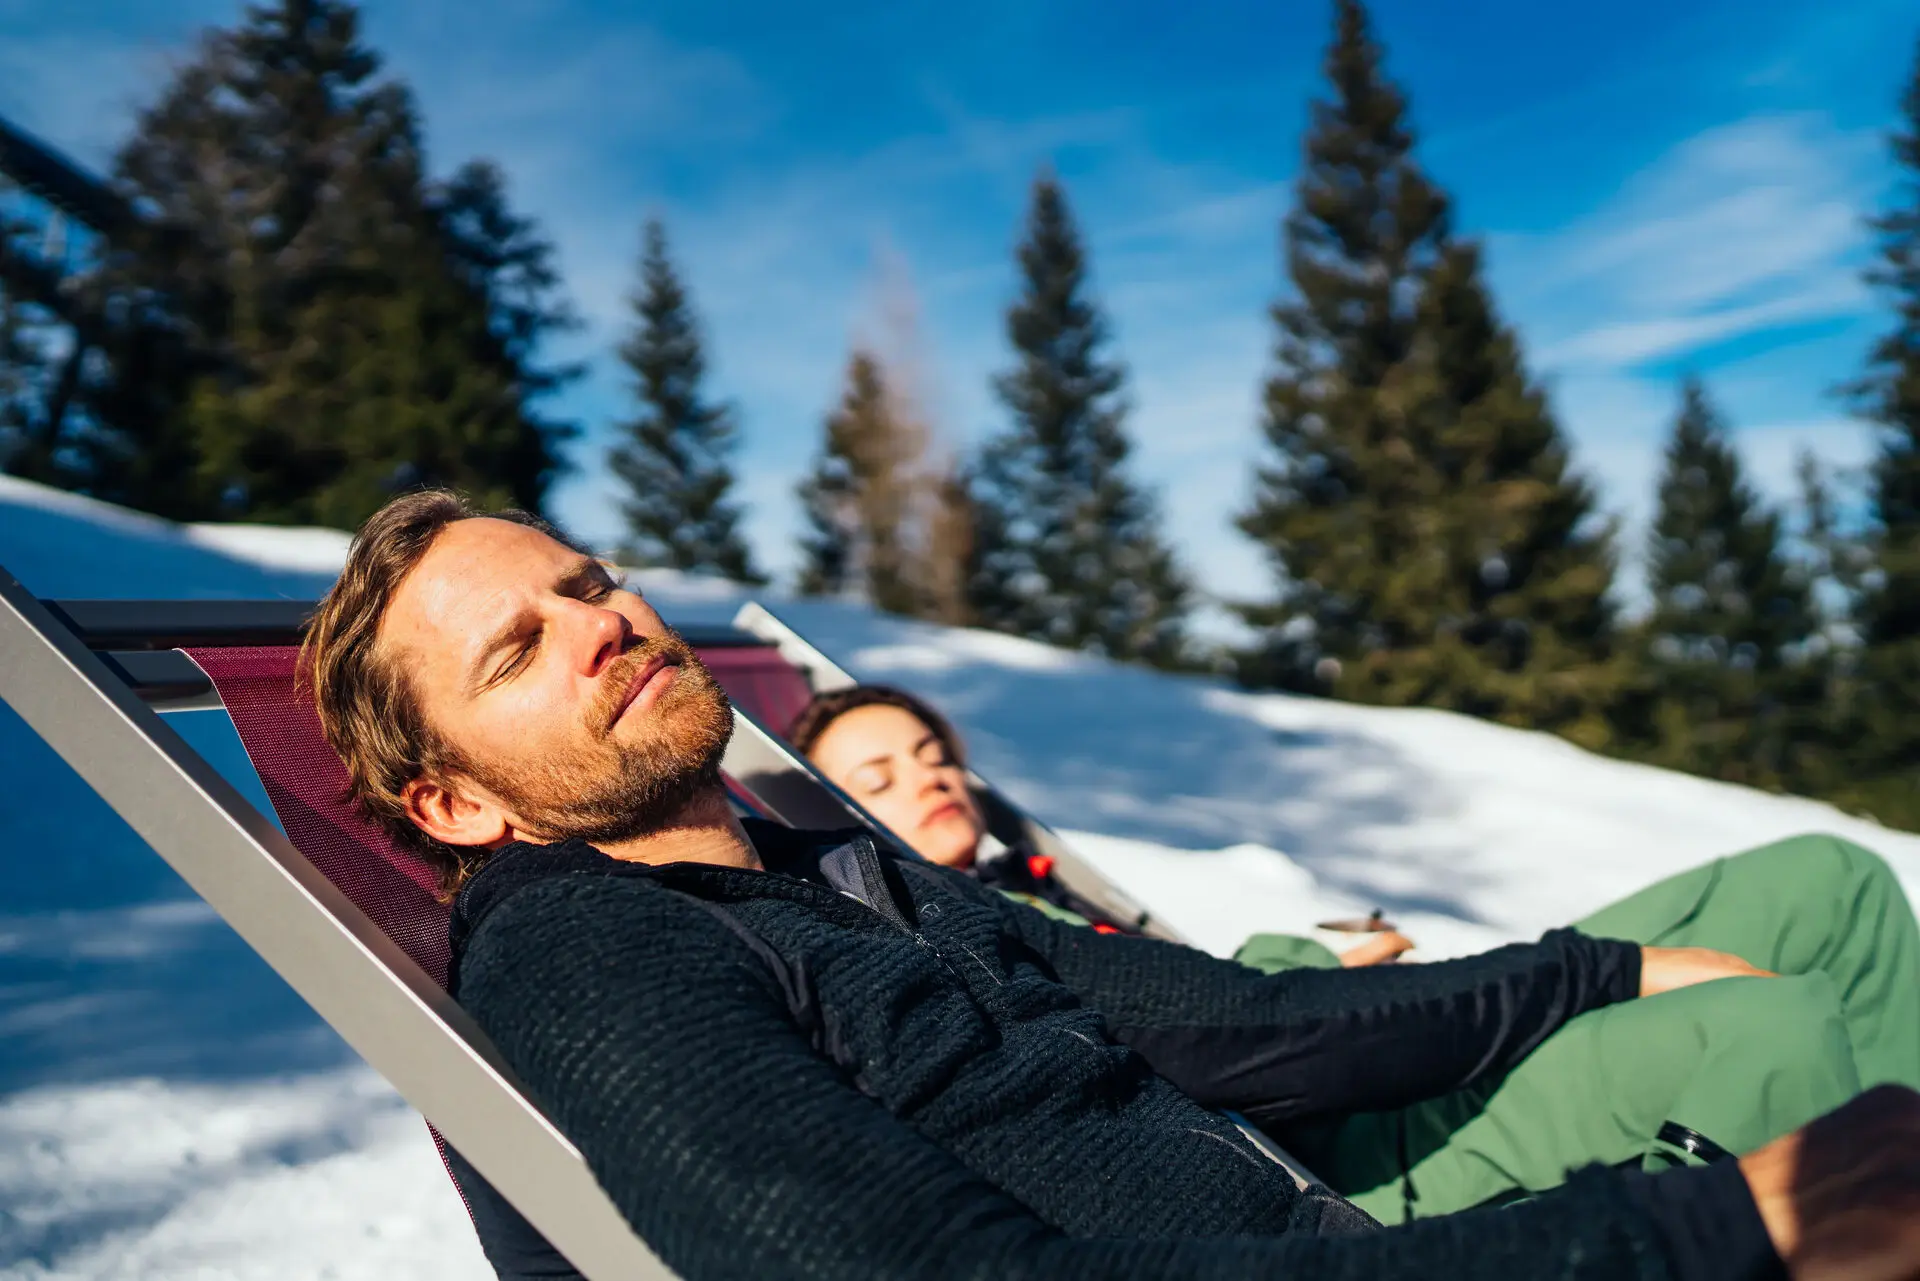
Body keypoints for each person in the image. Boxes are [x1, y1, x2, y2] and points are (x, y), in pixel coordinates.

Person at [303, 489, 1920, 1281]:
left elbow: (1232, 1023)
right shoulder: (595, 954)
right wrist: (1706, 1231)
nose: (604, 621)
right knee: (1787, 1066)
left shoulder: (838, 872)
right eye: (522, 647)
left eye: (589, 583)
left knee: (1814, 933)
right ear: (455, 798)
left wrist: (1586, 973)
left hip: (1301, 1215)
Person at [791, 683, 1920, 1220]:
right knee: (1767, 1027)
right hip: (1352, 1146)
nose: (926, 776)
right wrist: (1305, 979)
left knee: (1831, 883)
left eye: (931, 751)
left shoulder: (1032, 888)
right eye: (877, 779)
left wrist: (1309, 968)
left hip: (1379, 1043)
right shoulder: (926, 949)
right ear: (828, 819)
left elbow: (1204, 996)